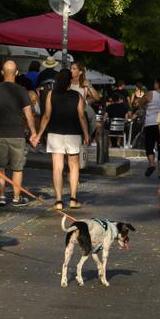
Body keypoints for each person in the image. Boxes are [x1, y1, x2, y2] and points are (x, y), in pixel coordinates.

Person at [38, 60, 91, 211]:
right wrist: (86, 134)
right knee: (74, 166)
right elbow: (81, 116)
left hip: (55, 133)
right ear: (69, 81)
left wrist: (39, 134)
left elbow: (46, 116)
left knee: (57, 167)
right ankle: (73, 199)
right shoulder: (77, 96)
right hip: (73, 134)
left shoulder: (51, 94)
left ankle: (59, 201)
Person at [0, 59, 36, 209]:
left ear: (1, 72)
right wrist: (33, 132)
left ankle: (1, 197)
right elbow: (28, 114)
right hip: (17, 134)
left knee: (0, 167)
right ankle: (16, 198)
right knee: (17, 168)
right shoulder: (21, 91)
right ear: (17, 73)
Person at [142, 75, 160, 175]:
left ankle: (151, 164)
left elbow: (141, 102)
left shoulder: (150, 93)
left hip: (150, 123)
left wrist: (144, 105)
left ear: (158, 83)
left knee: (149, 145)